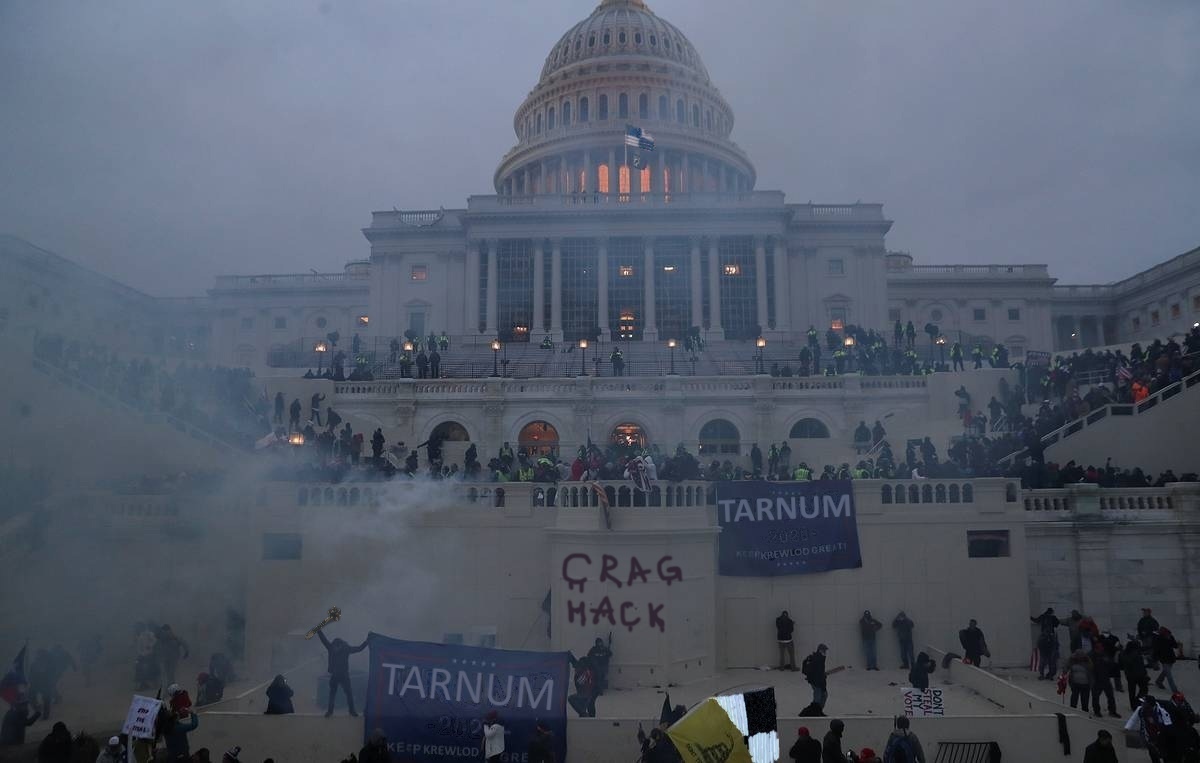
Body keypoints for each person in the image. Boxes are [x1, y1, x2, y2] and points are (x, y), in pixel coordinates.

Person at [317, 630, 367, 717]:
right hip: (335, 675)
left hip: (344, 675)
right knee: (333, 694)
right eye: (335, 647)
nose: (336, 649)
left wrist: (367, 641)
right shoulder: (331, 647)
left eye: (337, 647)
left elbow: (359, 648)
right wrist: (319, 631)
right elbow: (323, 639)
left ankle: (351, 711)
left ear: (341, 646)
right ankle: (330, 711)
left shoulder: (346, 649)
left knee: (348, 693)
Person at [1089, 642, 1119, 718]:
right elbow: (1089, 667)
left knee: (1110, 696)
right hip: (1096, 680)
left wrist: (1108, 662)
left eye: (1102, 647)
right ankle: (1097, 711)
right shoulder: (1091, 655)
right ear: (1096, 648)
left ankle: (1112, 711)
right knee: (1096, 697)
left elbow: (1111, 664)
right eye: (1100, 647)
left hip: (1105, 678)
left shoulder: (1104, 654)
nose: (1102, 648)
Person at [1121, 638, 1150, 711]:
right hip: (1138, 675)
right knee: (1143, 689)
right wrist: (1145, 673)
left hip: (1131, 675)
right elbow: (1140, 665)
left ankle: (1134, 704)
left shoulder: (1125, 653)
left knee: (1133, 691)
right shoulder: (1136, 654)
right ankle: (1136, 702)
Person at [1031, 607, 1060, 680]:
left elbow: (1036, 620)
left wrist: (1029, 617)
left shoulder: (1043, 616)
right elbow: (1057, 624)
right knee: (1051, 661)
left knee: (1043, 660)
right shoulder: (1053, 618)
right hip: (1050, 642)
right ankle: (1050, 675)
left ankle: (1042, 675)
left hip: (1044, 643)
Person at [802, 645, 832, 711]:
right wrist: (821, 676)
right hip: (816, 682)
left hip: (819, 681)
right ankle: (815, 712)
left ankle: (818, 711)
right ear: (820, 650)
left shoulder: (821, 658)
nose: (825, 652)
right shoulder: (817, 659)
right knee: (818, 698)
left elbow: (819, 671)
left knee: (824, 695)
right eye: (824, 650)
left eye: (825, 650)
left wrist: (822, 675)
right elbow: (814, 671)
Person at [1153, 627, 1181, 692]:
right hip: (1164, 658)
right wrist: (1155, 659)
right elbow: (1156, 649)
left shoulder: (1170, 637)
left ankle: (1158, 681)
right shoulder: (1159, 638)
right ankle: (1174, 690)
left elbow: (1175, 646)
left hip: (1170, 657)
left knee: (1166, 672)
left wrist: (1177, 644)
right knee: (1169, 675)